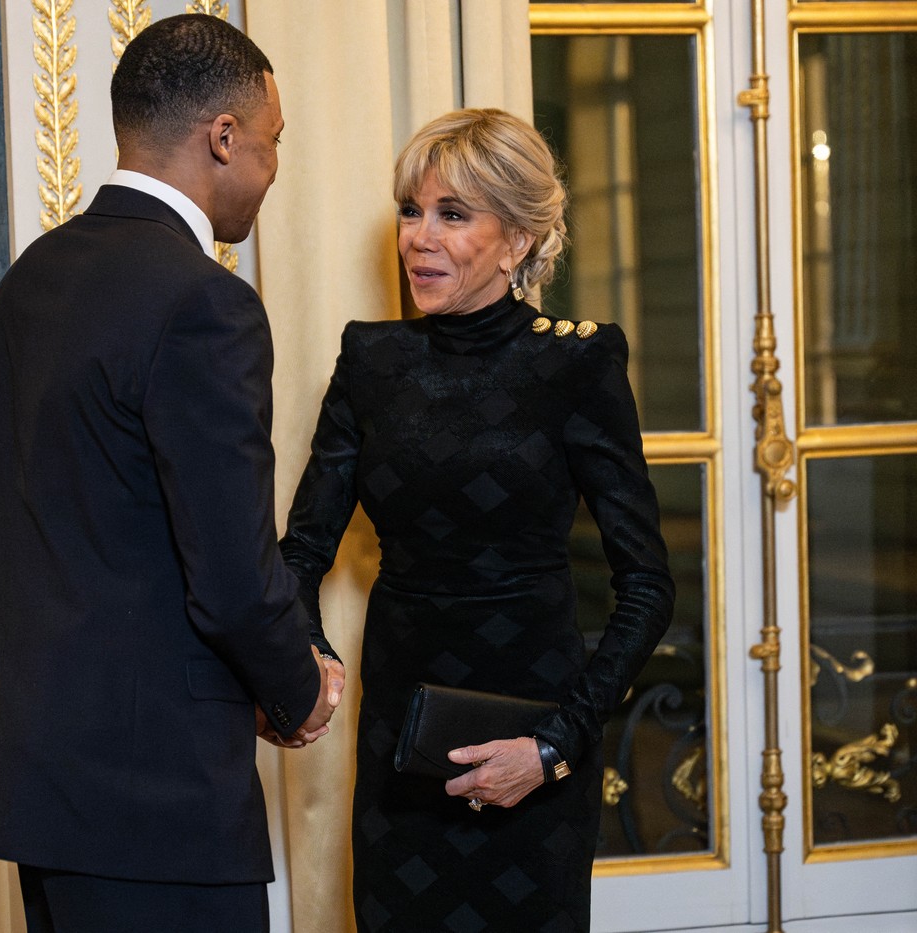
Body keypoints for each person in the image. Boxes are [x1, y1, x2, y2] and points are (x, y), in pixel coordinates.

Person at [0, 14, 344, 933]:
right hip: (159, 796)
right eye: (273, 141)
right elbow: (230, 575)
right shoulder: (205, 301)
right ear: (225, 137)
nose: (272, 166)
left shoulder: (29, 283)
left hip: (42, 781)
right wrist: (299, 688)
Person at [280, 108, 675, 931]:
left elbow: (646, 584)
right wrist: (306, 659)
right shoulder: (371, 360)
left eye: (454, 215)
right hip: (402, 744)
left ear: (520, 240)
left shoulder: (578, 361)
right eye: (412, 210)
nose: (421, 237)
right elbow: (303, 551)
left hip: (536, 741)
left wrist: (554, 745)